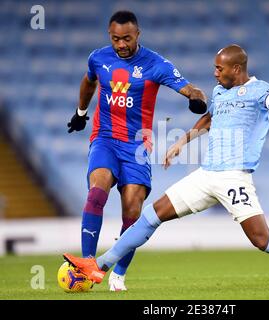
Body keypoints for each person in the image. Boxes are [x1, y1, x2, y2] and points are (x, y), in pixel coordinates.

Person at [64, 45, 269, 288]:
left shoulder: (259, 90)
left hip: (234, 178)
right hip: (205, 175)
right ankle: (98, 266)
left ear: (236, 69)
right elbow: (209, 119)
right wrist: (182, 142)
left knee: (262, 240)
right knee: (151, 216)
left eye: (219, 69)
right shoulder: (219, 92)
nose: (215, 73)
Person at [66, 10, 207, 291]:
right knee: (97, 191)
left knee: (132, 211)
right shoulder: (98, 58)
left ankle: (117, 274)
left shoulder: (155, 64)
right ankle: (87, 264)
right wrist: (81, 112)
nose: (121, 45)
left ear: (138, 35)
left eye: (127, 39)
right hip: (104, 138)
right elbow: (89, 80)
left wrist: (196, 99)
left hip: (136, 145)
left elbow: (191, 88)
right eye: (116, 39)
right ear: (110, 35)